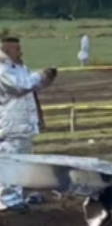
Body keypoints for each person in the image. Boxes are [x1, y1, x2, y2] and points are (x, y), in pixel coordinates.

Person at [0, 37, 56, 214]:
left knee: (20, 161)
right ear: (7, 51)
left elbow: (33, 86)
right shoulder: (3, 71)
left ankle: (16, 195)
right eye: (17, 49)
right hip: (10, 123)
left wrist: (47, 78)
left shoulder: (20, 69)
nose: (21, 52)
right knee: (11, 160)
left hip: (22, 124)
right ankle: (6, 199)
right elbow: (20, 86)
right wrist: (41, 75)